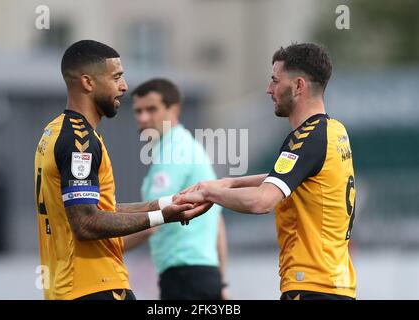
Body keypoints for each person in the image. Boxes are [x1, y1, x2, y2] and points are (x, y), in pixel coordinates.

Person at [175, 43, 357, 300]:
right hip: (335, 285)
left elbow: (262, 201)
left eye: (275, 80)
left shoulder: (306, 138)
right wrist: (227, 184)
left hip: (312, 286)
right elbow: (295, 179)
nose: (269, 89)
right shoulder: (334, 131)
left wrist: (208, 192)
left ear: (298, 86)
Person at [34, 40, 205, 300]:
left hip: (68, 289)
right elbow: (86, 222)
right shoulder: (79, 140)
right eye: (116, 78)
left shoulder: (55, 131)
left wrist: (168, 202)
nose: (124, 87)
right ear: (87, 83)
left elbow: (100, 209)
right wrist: (163, 217)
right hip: (95, 286)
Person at [123, 79, 228, 300]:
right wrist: (222, 281)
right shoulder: (189, 147)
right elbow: (217, 219)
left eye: (151, 109)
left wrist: (108, 248)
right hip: (205, 275)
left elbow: (153, 220)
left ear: (174, 109)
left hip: (184, 275)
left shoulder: (172, 152)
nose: (143, 118)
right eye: (138, 111)